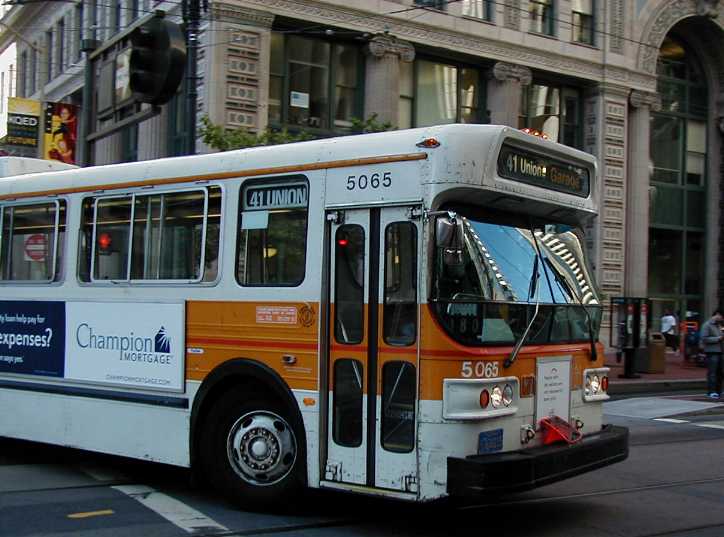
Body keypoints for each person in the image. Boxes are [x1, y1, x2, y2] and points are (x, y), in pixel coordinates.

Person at [699, 308, 724, 399]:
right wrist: (718, 338)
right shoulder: (707, 325)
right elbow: (704, 338)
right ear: (717, 314)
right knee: (712, 372)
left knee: (720, 372)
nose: (722, 319)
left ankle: (719, 390)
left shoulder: (719, 325)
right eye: (721, 317)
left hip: (720, 351)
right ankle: (711, 391)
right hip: (712, 351)